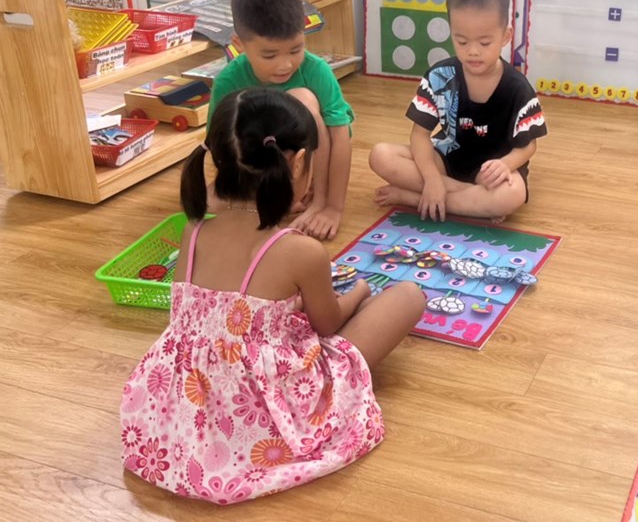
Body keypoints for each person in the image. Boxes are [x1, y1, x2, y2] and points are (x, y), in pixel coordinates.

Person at [120, 90, 425, 503]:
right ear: (298, 163)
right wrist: (359, 292)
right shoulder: (300, 250)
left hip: (182, 414)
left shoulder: (194, 229)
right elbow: (328, 325)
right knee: (408, 296)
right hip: (262, 415)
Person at [369, 0, 547, 221]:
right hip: (445, 160)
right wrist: (432, 178)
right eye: (461, 41)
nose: (472, 51)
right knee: (380, 156)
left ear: (506, 36)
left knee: (512, 194)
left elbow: (528, 146)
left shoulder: (518, 88)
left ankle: (414, 199)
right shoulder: (439, 76)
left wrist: (505, 165)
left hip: (490, 173)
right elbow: (419, 135)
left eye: (484, 43)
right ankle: (466, 199)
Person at [208, 0, 353, 240]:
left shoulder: (316, 70)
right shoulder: (228, 82)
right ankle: (278, 198)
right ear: (239, 44)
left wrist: (331, 207)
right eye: (269, 55)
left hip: (309, 168)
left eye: (295, 50)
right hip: (263, 169)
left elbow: (340, 138)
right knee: (210, 203)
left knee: (302, 98)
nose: (285, 64)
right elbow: (221, 148)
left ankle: (312, 197)